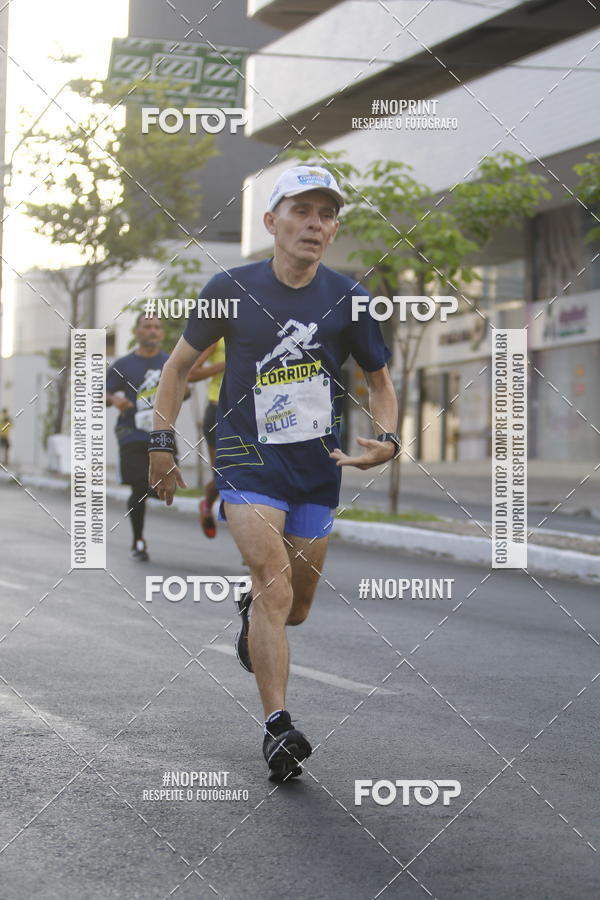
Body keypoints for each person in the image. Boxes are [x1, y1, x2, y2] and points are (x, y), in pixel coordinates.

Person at [149, 165, 399, 781]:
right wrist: (162, 442)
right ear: (272, 222)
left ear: (334, 229)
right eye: (301, 211)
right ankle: (277, 728)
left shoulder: (349, 299)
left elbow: (380, 382)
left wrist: (389, 441)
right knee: (273, 579)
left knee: (298, 606)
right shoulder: (229, 288)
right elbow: (179, 369)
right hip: (246, 458)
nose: (315, 224)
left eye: (326, 215)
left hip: (317, 468)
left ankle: (252, 618)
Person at [106, 313, 178, 561]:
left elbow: (185, 392)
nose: (152, 331)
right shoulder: (124, 364)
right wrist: (114, 398)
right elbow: (99, 391)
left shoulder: (170, 362)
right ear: (136, 332)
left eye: (157, 327)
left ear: (162, 333)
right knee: (139, 486)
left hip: (161, 432)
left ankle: (150, 491)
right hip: (131, 433)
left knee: (162, 486)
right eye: (147, 326)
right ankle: (138, 540)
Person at [187, 338, 226, 538]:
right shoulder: (218, 338)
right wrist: (227, 363)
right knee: (224, 475)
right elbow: (191, 373)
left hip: (254, 413)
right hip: (219, 410)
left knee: (252, 478)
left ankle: (253, 547)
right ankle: (207, 503)